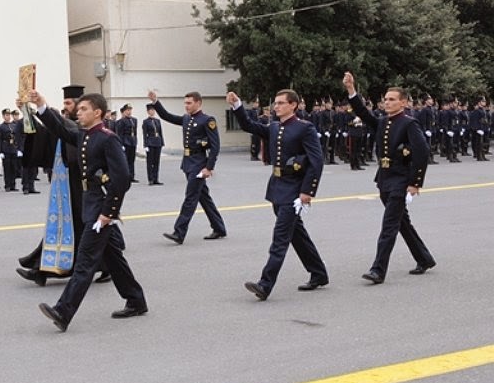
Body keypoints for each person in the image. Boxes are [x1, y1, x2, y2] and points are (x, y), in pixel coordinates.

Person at [26, 88, 147, 332]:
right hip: (91, 203)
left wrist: (108, 213)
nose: (78, 113)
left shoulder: (107, 137)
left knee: (85, 261)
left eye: (83, 109)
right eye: (77, 109)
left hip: (100, 210)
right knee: (114, 258)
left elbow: (122, 179)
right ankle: (136, 300)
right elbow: (60, 128)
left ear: (98, 112)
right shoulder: (85, 135)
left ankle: (63, 311)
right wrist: (41, 105)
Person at [228, 89, 329, 300]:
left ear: (293, 105)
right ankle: (318, 273)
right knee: (296, 235)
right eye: (276, 103)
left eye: (281, 103)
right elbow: (249, 125)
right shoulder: (274, 127)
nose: (276, 107)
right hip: (277, 187)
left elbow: (316, 160)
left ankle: (265, 284)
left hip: (294, 190)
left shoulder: (304, 128)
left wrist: (307, 191)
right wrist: (237, 105)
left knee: (280, 238)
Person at [343, 72, 436, 283]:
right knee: (402, 223)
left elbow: (421, 154)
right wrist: (351, 90)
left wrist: (415, 183)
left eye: (392, 99)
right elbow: (363, 114)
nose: (387, 102)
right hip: (384, 179)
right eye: (385, 99)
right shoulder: (383, 122)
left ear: (403, 103)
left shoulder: (409, 123)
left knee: (389, 225)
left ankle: (378, 269)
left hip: (401, 180)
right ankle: (424, 258)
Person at [148, 90, 227, 243]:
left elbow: (215, 146)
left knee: (190, 198)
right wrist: (155, 102)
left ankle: (179, 232)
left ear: (198, 103)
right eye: (185, 103)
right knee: (204, 198)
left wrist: (209, 168)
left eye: (189, 103)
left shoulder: (207, 120)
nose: (186, 106)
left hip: (199, 164)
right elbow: (167, 116)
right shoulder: (186, 119)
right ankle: (219, 228)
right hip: (188, 162)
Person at [141, 103, 164, 185]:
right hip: (150, 142)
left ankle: (156, 178)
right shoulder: (146, 122)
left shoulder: (157, 121)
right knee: (150, 162)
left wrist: (162, 142)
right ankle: (150, 179)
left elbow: (160, 132)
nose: (152, 112)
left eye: (153, 110)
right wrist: (145, 145)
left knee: (156, 162)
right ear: (148, 111)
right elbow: (144, 134)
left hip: (158, 142)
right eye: (151, 110)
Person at [116, 103, 139, 183]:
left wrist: (135, 140)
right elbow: (120, 134)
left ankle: (131, 176)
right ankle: (126, 176)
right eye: (127, 110)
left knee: (132, 160)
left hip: (132, 141)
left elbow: (135, 132)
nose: (129, 112)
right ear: (124, 112)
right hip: (126, 141)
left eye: (130, 110)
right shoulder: (121, 121)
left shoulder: (134, 120)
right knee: (125, 160)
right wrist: (121, 144)